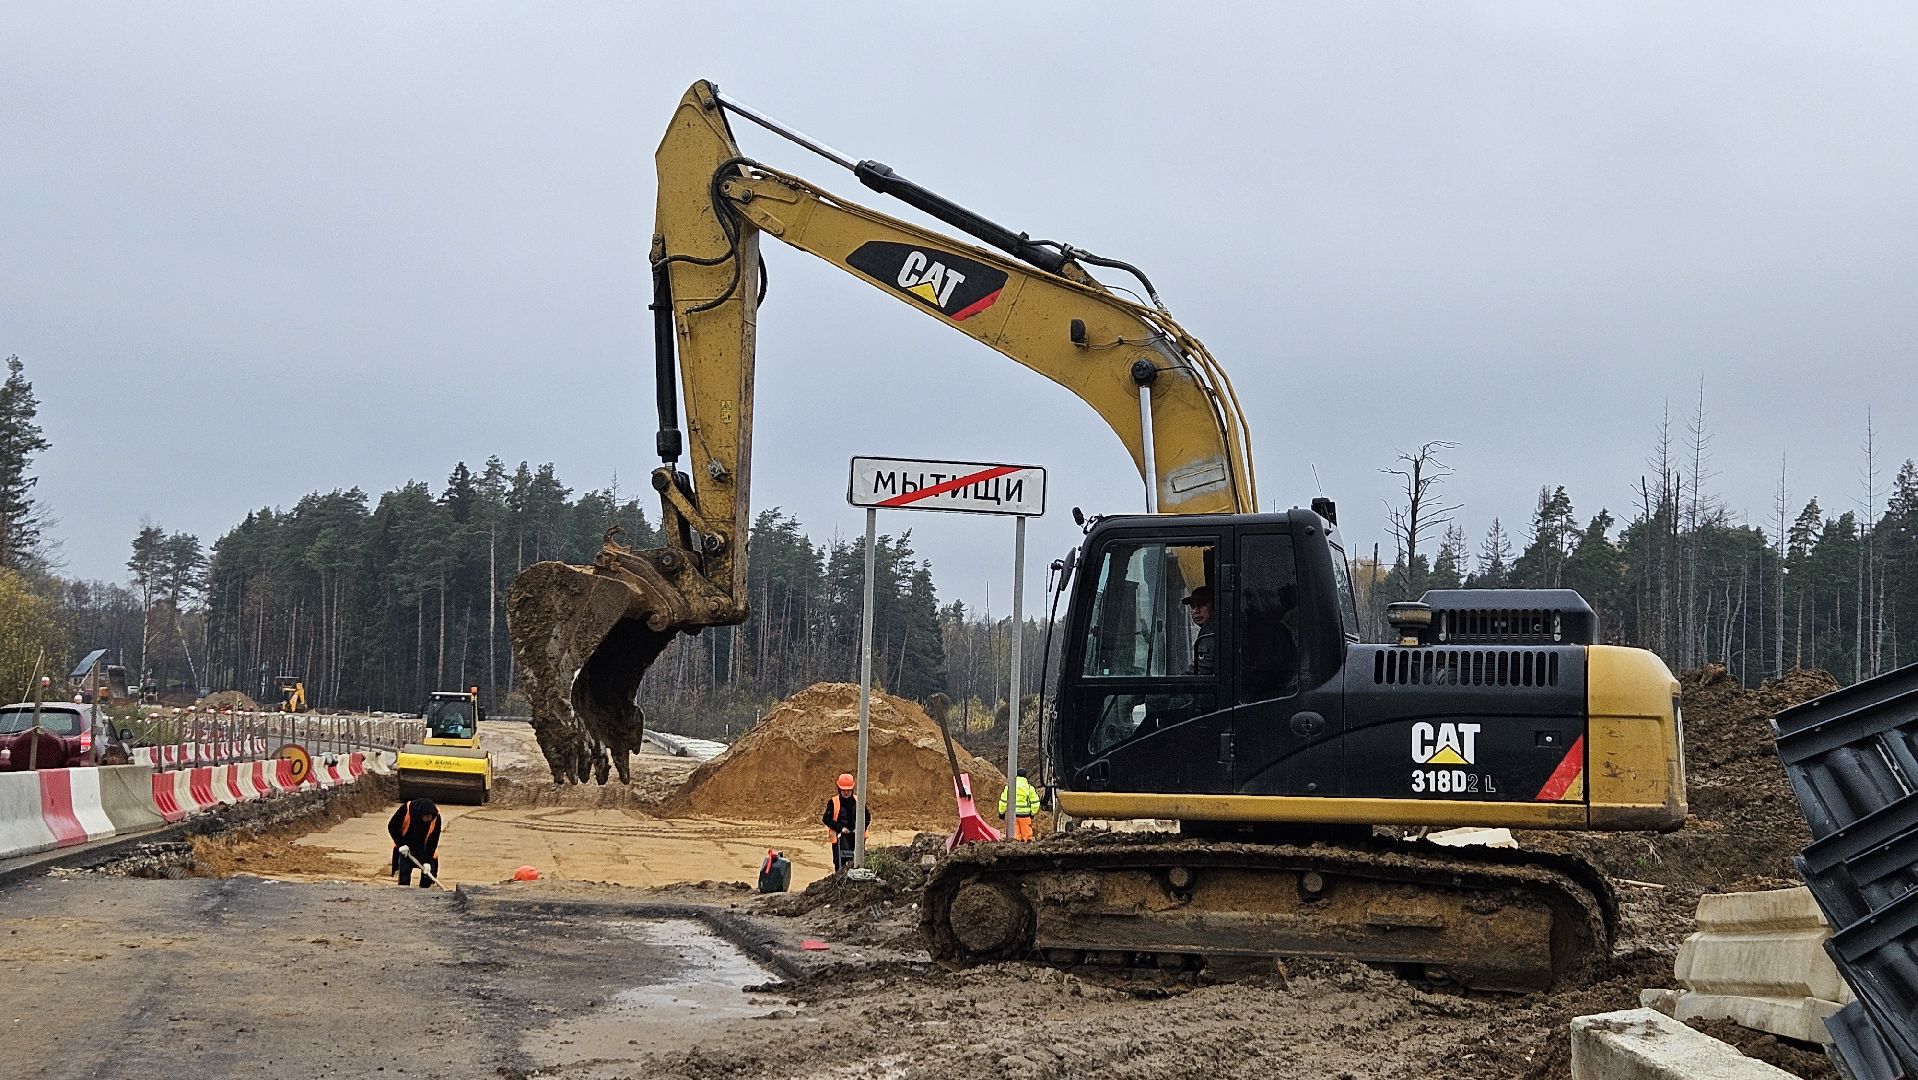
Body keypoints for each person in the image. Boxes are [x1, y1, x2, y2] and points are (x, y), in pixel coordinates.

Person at [387, 797, 442, 888]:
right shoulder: (407, 809)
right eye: (426, 817)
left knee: (427, 876)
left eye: (430, 816)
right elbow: (392, 826)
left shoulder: (436, 817)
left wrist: (427, 861)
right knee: (404, 875)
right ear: (420, 814)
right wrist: (401, 844)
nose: (429, 819)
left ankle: (424, 894)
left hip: (425, 849)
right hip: (406, 848)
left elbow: (433, 840)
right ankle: (403, 893)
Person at [821, 773, 869, 873]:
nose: (846, 793)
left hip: (856, 838)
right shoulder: (833, 802)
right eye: (844, 790)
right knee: (839, 863)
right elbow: (826, 818)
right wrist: (840, 828)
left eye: (848, 790)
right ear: (839, 789)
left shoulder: (858, 801)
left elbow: (867, 817)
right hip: (839, 838)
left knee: (857, 862)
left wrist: (860, 828)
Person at [997, 769, 1041, 841]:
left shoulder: (1009, 787)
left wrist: (1001, 813)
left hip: (1012, 816)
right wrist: (1032, 813)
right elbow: (1035, 803)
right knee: (1027, 838)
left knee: (1015, 838)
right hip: (1025, 816)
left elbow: (1003, 801)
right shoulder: (1029, 788)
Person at [1183, 585, 1216, 676]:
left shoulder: (1211, 631)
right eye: (1193, 606)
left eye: (1202, 605)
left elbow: (1203, 668)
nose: (1196, 611)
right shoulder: (1207, 630)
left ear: (1214, 607)